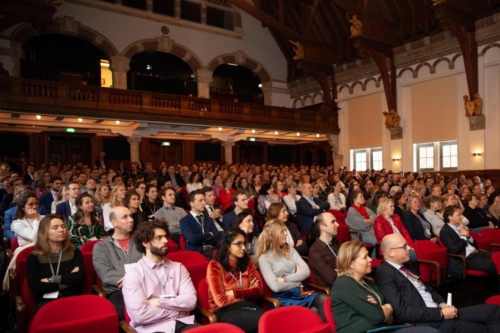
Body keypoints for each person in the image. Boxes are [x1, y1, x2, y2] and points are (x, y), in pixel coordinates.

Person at [375, 233, 500, 333]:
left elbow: (427, 289)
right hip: (430, 321)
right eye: (404, 246)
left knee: (494, 311)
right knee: (484, 329)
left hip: (440, 312)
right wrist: (440, 314)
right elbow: (403, 311)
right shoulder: (385, 274)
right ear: (390, 252)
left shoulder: (406, 265)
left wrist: (442, 304)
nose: (409, 248)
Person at [122, 220, 199, 333]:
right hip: (152, 328)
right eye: (159, 237)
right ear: (145, 243)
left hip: (183, 323)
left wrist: (159, 302)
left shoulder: (178, 268)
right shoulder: (133, 274)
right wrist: (177, 311)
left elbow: (191, 301)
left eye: (165, 237)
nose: (165, 241)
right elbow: (140, 315)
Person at [257, 220, 328, 321]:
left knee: (324, 300)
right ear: (272, 236)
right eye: (282, 231)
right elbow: (276, 287)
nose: (286, 233)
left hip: (300, 293)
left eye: (285, 230)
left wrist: (285, 279)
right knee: (313, 312)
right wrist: (298, 279)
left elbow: (306, 272)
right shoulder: (264, 258)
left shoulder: (290, 250)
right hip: (283, 298)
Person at [206, 229, 264, 333]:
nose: (243, 248)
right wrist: (247, 291)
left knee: (267, 325)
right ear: (227, 247)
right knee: (265, 321)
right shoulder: (215, 266)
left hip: (248, 306)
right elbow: (221, 301)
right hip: (224, 311)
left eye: (244, 243)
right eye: (238, 244)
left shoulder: (248, 261)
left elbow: (259, 291)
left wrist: (233, 293)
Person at [26, 214, 85, 312]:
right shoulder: (34, 257)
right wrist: (68, 280)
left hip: (72, 297)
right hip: (46, 301)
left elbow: (79, 278)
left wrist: (51, 279)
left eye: (63, 226)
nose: (61, 230)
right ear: (45, 233)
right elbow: (35, 286)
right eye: (55, 228)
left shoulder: (74, 252)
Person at [93, 206, 143, 320]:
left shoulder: (140, 241)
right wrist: (135, 278)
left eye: (130, 216)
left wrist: (132, 279)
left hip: (144, 286)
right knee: (128, 313)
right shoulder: (101, 247)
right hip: (118, 291)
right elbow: (106, 276)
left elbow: (150, 266)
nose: (130, 219)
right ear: (114, 223)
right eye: (125, 217)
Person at [440, 205, 497, 277]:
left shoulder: (460, 227)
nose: (462, 217)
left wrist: (469, 236)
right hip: (466, 259)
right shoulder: (445, 231)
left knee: (498, 257)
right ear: (450, 217)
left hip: (477, 253)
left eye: (461, 214)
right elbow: (454, 249)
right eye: (459, 215)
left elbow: (475, 246)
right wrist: (463, 236)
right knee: (496, 263)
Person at [180, 189, 220, 260]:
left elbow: (217, 236)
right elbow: (193, 239)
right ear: (191, 203)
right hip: (196, 253)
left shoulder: (208, 219)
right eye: (200, 201)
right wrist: (209, 234)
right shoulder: (185, 221)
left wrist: (202, 238)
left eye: (204, 200)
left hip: (212, 251)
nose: (204, 203)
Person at [308, 212, 340, 287]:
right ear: (323, 227)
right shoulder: (315, 251)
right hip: (334, 289)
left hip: (346, 283)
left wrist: (338, 271)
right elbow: (332, 278)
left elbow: (351, 264)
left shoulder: (336, 243)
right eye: (333, 222)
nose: (337, 224)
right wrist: (346, 270)